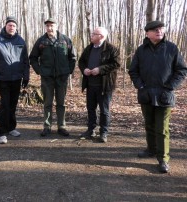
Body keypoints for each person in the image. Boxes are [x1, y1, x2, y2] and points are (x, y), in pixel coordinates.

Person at [129, 20, 187, 173]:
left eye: (161, 29)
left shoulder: (171, 48)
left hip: (164, 95)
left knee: (162, 128)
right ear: (147, 33)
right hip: (146, 94)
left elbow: (181, 70)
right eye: (155, 30)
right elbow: (133, 70)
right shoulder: (141, 50)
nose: (159, 31)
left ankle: (163, 159)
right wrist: (140, 85)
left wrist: (170, 86)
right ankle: (151, 150)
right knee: (149, 124)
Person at [29, 18, 76, 137]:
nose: (50, 28)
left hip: (62, 77)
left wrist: (68, 70)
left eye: (52, 25)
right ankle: (47, 126)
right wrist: (39, 71)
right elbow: (33, 58)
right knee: (47, 103)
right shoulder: (41, 41)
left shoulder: (65, 40)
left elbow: (73, 57)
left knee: (61, 103)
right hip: (47, 77)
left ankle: (62, 126)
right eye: (48, 26)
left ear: (56, 26)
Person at [0, 16, 30, 144]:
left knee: (13, 104)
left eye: (14, 26)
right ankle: (2, 132)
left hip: (16, 78)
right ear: (6, 26)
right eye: (9, 25)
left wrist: (26, 76)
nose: (11, 27)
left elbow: (25, 61)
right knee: (5, 105)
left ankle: (12, 128)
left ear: (16, 28)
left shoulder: (20, 41)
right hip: (3, 79)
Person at [78, 27, 120, 143]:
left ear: (101, 36)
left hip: (104, 86)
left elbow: (116, 64)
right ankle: (91, 130)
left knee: (104, 110)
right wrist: (84, 69)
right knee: (90, 108)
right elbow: (81, 61)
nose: (91, 35)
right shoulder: (89, 48)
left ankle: (103, 132)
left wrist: (100, 69)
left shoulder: (111, 49)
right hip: (90, 85)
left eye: (93, 34)